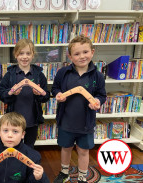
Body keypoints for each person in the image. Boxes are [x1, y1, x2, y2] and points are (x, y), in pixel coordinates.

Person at [51, 35, 106, 183]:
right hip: (66, 121)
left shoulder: (98, 76)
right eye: (77, 54)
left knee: (83, 150)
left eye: (85, 52)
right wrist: (58, 94)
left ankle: (82, 176)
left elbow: (102, 95)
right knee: (66, 148)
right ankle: (64, 172)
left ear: (92, 52)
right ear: (70, 56)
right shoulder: (63, 73)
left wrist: (97, 101)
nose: (82, 56)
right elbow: (55, 88)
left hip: (86, 123)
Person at [0, 39, 50, 149]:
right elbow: (1, 95)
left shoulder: (39, 75)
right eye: (21, 53)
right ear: (16, 55)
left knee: (29, 147)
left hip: (32, 120)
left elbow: (46, 96)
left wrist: (39, 94)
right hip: (13, 121)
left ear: (33, 55)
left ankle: (26, 166)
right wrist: (11, 93)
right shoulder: (10, 74)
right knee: (12, 147)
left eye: (28, 53)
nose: (25, 57)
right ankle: (13, 166)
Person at [0, 112, 50, 183]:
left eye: (15, 131)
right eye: (5, 130)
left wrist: (39, 178)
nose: (10, 135)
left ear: (22, 134)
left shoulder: (33, 155)